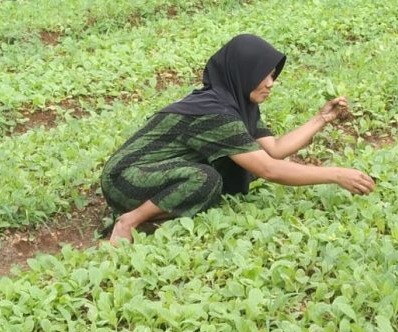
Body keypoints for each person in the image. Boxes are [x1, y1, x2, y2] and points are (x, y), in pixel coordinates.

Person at [100, 34, 375, 244]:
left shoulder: (236, 104)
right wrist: (337, 175)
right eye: (264, 75)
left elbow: (275, 150)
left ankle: (157, 217)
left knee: (238, 167)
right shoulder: (215, 112)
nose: (271, 83)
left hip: (156, 173)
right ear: (243, 73)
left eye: (272, 76)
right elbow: (270, 169)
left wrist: (321, 119)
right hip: (125, 178)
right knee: (206, 179)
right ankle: (129, 221)